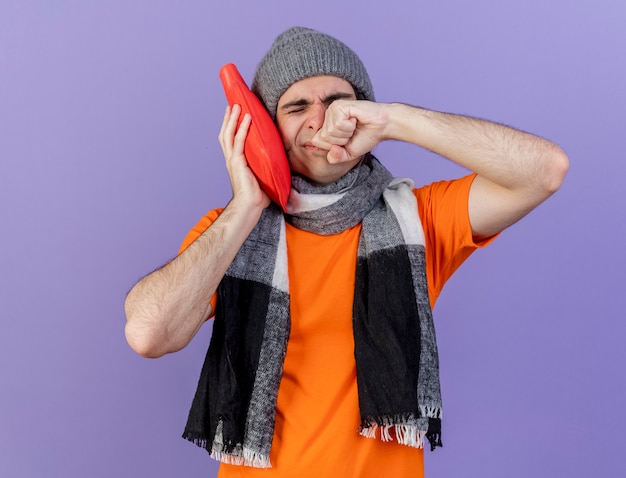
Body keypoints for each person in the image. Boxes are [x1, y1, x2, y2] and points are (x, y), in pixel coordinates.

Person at [124, 26, 568, 478]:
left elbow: (544, 171)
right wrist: (246, 205)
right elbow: (148, 334)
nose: (320, 118)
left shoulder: (420, 221)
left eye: (339, 102)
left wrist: (394, 120)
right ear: (267, 131)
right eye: (297, 107)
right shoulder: (227, 234)